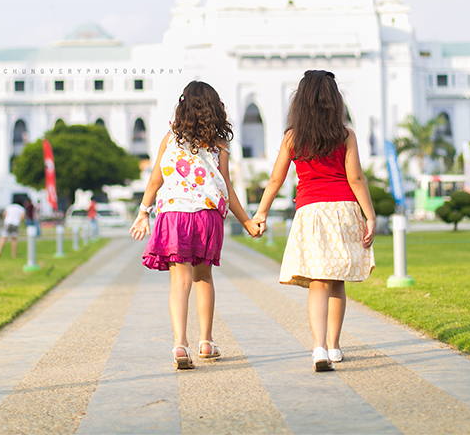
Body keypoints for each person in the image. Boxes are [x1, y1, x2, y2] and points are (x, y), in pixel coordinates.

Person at [130, 81, 260, 370]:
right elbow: (226, 188)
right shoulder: (219, 144)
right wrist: (247, 222)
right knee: (204, 277)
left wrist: (143, 212)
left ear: (182, 105)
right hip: (207, 216)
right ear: (215, 108)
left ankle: (180, 344)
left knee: (180, 281)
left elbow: (155, 180)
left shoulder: (170, 138)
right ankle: (206, 341)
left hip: (174, 214)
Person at [253, 70, 376, 372]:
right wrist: (370, 214)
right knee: (337, 281)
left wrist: (261, 212)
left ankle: (319, 346)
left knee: (318, 282)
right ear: (334, 100)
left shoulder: (293, 137)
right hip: (344, 210)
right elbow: (356, 178)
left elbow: (275, 179)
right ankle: (334, 347)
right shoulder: (345, 135)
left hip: (310, 212)